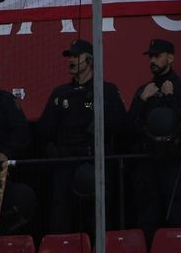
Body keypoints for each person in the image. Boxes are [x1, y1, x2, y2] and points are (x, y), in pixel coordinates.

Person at [35, 39, 128, 232]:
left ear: (90, 60)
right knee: (61, 216)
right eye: (70, 56)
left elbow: (120, 124)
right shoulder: (61, 92)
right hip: (65, 162)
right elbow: (44, 128)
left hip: (93, 161)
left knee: (96, 216)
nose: (71, 60)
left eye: (76, 56)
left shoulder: (106, 90)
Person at [128, 38, 181, 237]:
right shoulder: (144, 90)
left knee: (176, 213)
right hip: (148, 161)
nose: (152, 60)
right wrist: (142, 101)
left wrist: (170, 97)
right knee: (148, 215)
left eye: (157, 56)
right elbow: (129, 124)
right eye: (150, 56)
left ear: (170, 58)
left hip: (174, 160)